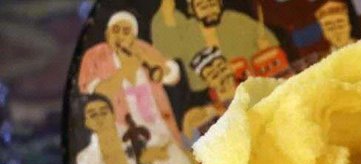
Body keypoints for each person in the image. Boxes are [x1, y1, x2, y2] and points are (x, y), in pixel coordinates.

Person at [79, 11, 183, 145]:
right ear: (107, 33)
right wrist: (125, 69)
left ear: (133, 37)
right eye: (115, 30)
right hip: (125, 135)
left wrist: (145, 58)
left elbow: (171, 76)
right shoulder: (95, 55)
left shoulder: (142, 49)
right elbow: (98, 93)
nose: (120, 36)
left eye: (126, 32)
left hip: (161, 128)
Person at [151, 0, 285, 92]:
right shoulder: (185, 31)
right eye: (202, 6)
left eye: (213, 4)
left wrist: (265, 48)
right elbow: (168, 51)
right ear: (192, 9)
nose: (210, 10)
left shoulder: (236, 20)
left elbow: (270, 46)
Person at [181, 47, 238, 142]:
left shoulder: (250, 84)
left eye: (223, 69)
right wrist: (216, 110)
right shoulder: (200, 100)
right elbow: (188, 125)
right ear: (208, 82)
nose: (222, 76)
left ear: (230, 66)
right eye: (214, 76)